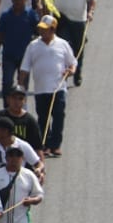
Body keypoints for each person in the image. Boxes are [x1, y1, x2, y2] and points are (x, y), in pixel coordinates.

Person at [18, 15, 76, 157]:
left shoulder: (62, 44)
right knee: (43, 117)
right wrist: (21, 85)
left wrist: (71, 71)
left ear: (52, 29)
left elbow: (72, 62)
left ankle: (55, 145)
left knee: (58, 116)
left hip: (58, 88)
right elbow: (25, 67)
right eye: (40, 29)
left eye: (45, 29)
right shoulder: (33, 46)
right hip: (40, 89)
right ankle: (44, 144)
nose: (41, 32)